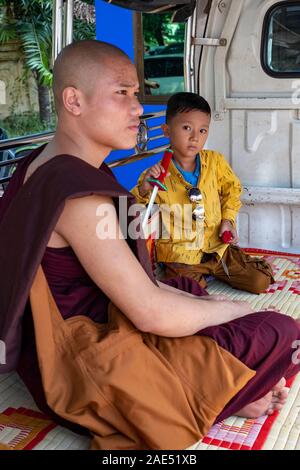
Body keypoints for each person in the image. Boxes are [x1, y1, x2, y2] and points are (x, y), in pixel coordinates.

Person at [0, 40, 299, 451]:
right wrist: (235, 308)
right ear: (73, 100)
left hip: (56, 341)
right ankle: (231, 396)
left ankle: (232, 388)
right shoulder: (77, 195)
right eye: (122, 93)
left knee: (191, 293)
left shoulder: (39, 161)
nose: (138, 108)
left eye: (136, 94)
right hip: (87, 361)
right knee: (281, 328)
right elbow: (150, 314)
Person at [132, 92, 274, 294]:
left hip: (217, 247)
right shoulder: (156, 175)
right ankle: (194, 280)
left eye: (202, 130)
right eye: (186, 128)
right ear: (166, 130)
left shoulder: (214, 162)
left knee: (259, 281)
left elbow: (232, 190)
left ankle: (214, 271)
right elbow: (133, 212)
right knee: (192, 295)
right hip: (181, 256)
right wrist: (145, 189)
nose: (195, 137)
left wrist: (228, 220)